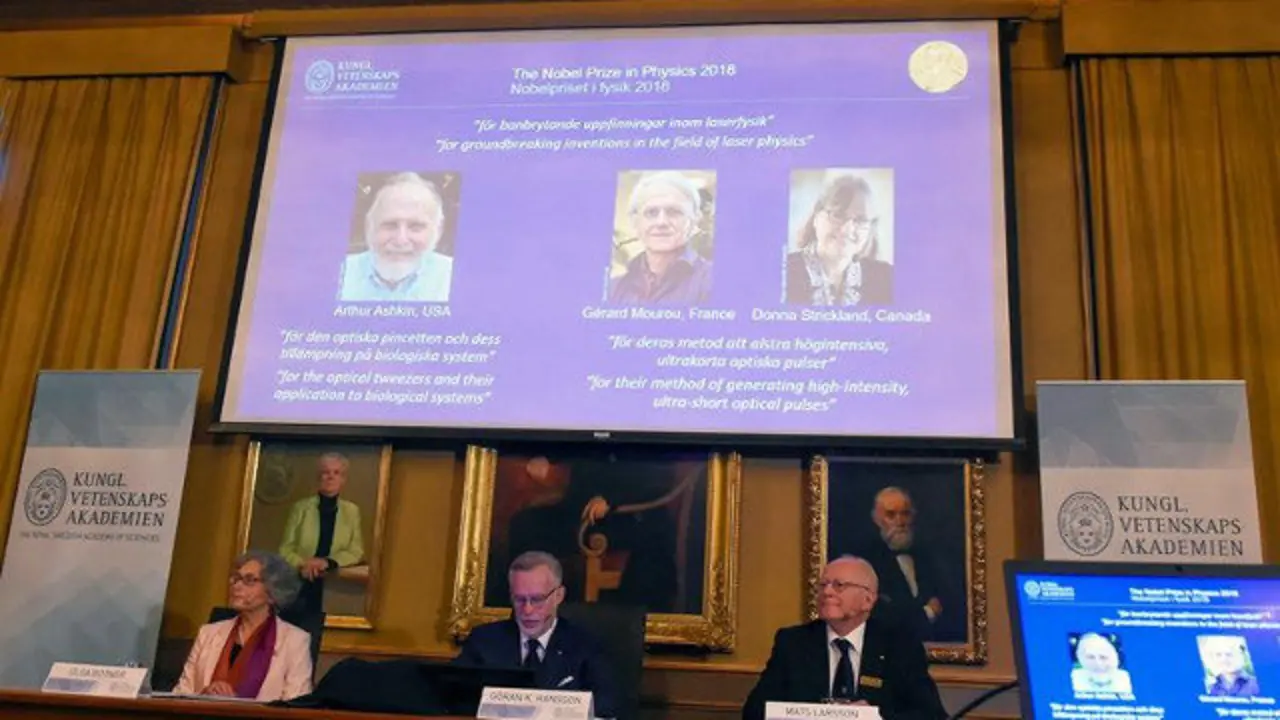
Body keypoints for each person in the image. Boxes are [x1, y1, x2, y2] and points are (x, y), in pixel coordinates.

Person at [743, 556, 946, 720]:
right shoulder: (793, 643)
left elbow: (931, 715)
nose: (827, 592)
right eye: (823, 585)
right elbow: (755, 712)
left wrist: (874, 718)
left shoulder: (899, 646)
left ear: (868, 600)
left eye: (839, 585)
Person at [455, 551, 620, 718]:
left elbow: (605, 709)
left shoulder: (587, 646)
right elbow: (454, 701)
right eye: (519, 599)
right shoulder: (483, 641)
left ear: (558, 596)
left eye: (537, 599)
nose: (527, 610)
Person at [174, 551, 313, 700]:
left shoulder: (295, 641)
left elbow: (296, 704)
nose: (237, 586)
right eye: (236, 578)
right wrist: (205, 694)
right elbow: (181, 694)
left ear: (273, 592)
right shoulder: (208, 633)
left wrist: (236, 703)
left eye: (249, 580)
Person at [339, 171, 453, 302]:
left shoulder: (456, 278)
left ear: (438, 230)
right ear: (369, 227)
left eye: (415, 227)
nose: (401, 240)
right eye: (390, 225)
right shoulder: (339, 275)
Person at [785, 174, 892, 306]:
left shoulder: (887, 278)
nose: (846, 230)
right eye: (837, 215)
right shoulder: (784, 272)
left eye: (860, 220)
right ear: (816, 218)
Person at [859, 487, 951, 641]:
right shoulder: (864, 563)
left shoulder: (928, 559)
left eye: (905, 514)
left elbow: (949, 605)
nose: (900, 522)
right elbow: (883, 619)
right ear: (876, 519)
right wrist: (928, 613)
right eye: (891, 515)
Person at [608, 171, 712, 305]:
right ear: (635, 222)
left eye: (674, 212)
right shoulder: (613, 288)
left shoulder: (712, 281)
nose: (661, 222)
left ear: (694, 220)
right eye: (651, 212)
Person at [279, 452, 365, 616]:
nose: (330, 477)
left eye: (336, 473)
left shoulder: (352, 511)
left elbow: (356, 550)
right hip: (299, 581)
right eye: (326, 472)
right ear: (318, 478)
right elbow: (285, 549)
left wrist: (327, 562)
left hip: (336, 586)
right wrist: (304, 564)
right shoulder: (300, 508)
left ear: (343, 479)